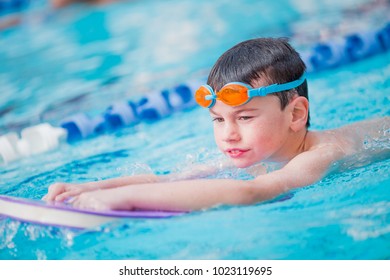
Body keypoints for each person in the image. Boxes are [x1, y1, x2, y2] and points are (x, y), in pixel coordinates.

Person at [43, 38, 389, 212]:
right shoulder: (259, 152)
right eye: (218, 120)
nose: (228, 134)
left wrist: (126, 200)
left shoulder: (319, 155)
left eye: (245, 117)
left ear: (296, 115)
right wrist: (91, 188)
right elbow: (168, 181)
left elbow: (252, 193)